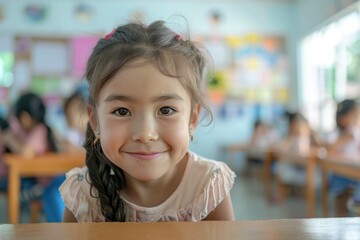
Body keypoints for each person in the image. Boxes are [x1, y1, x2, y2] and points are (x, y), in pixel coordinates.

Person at [59, 20, 236, 222]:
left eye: (166, 110)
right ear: (95, 121)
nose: (145, 134)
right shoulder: (83, 193)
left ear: (192, 119)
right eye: (122, 111)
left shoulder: (207, 185)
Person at [2, 92, 65, 222]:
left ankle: (18, 221)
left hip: (46, 183)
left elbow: (26, 153)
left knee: (19, 196)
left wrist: (10, 140)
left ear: (25, 117)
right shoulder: (39, 129)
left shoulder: (40, 130)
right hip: (42, 182)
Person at [326, 99, 360, 216]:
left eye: (357, 115)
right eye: (353, 115)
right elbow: (329, 149)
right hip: (340, 173)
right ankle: (340, 217)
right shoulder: (336, 133)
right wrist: (345, 138)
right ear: (341, 117)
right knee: (340, 200)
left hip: (356, 172)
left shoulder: (357, 132)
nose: (356, 119)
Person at [274, 112, 321, 194]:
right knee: (281, 168)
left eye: (301, 125)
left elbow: (319, 148)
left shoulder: (310, 136)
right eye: (295, 125)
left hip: (307, 166)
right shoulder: (291, 137)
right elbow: (281, 151)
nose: (298, 128)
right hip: (294, 166)